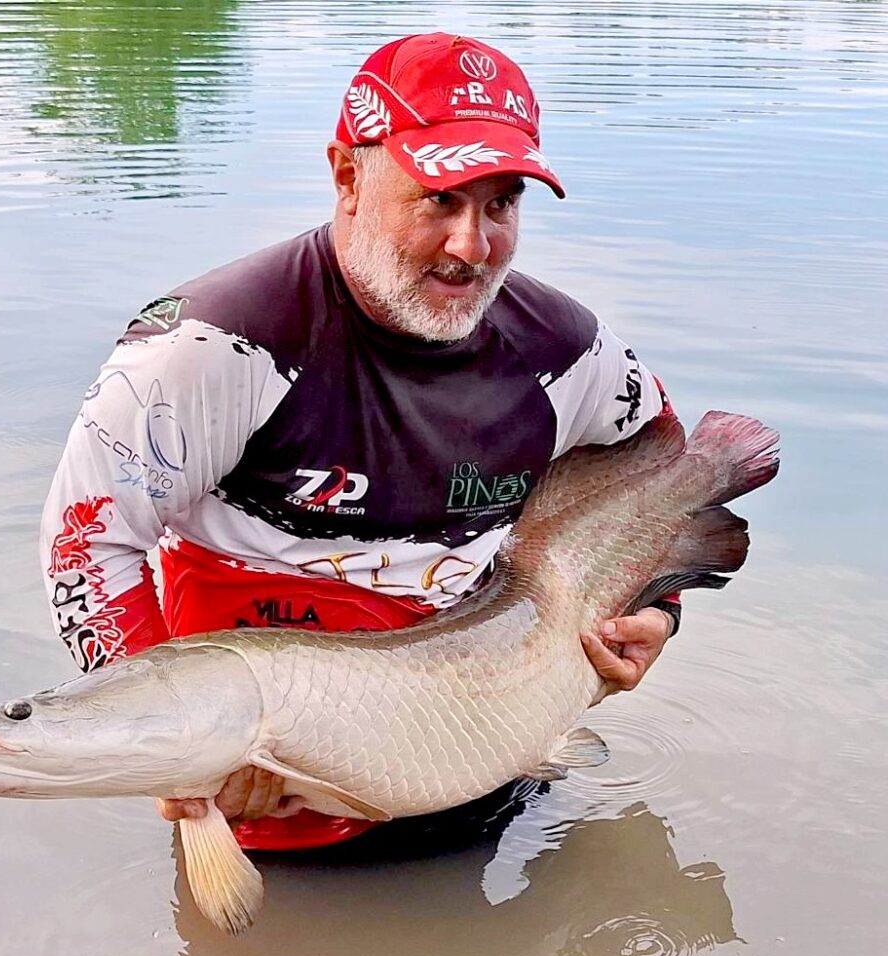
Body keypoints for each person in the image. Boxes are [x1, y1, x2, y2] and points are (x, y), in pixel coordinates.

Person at [40, 32, 681, 853]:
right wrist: (177, 746)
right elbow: (85, 546)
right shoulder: (210, 347)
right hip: (262, 789)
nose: (471, 247)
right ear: (347, 176)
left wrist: (653, 612)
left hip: (486, 752)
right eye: (439, 200)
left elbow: (665, 468)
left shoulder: (571, 355)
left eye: (501, 204)